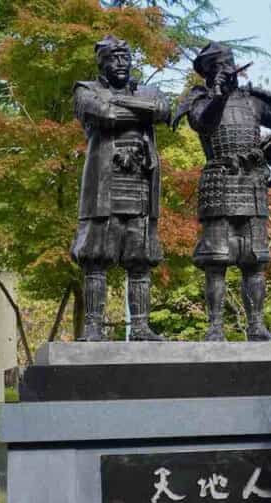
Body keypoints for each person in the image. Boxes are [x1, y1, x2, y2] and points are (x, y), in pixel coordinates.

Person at [174, 42, 271, 341]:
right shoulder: (199, 99)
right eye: (220, 65)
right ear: (208, 72)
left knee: (254, 259)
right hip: (220, 179)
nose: (228, 69)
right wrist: (218, 93)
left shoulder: (253, 101)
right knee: (216, 261)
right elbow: (204, 123)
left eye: (230, 63)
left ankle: (256, 326)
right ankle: (215, 327)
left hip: (252, 183)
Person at [72, 36, 171, 341]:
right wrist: (141, 110)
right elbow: (105, 115)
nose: (121, 63)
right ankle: (92, 326)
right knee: (96, 257)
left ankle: (140, 326)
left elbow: (164, 111)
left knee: (140, 259)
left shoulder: (147, 90)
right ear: (101, 61)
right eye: (114, 58)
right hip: (105, 187)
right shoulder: (86, 89)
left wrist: (122, 103)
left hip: (141, 184)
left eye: (125, 57)